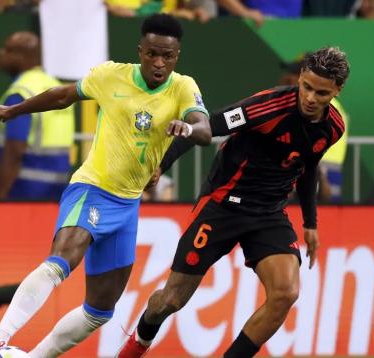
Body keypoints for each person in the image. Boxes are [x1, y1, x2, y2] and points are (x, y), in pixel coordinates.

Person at [0, 13, 211, 358]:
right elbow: (62, 96)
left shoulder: (183, 86)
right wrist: (16, 111)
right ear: (140, 50)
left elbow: (203, 128)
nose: (159, 63)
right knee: (63, 258)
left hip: (128, 204)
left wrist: (187, 129)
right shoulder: (110, 75)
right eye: (152, 54)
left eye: (168, 56)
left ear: (177, 57)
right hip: (93, 187)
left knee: (100, 310)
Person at [118, 46, 349, 357]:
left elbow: (307, 169)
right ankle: (136, 345)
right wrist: (163, 163)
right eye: (306, 87)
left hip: (269, 213)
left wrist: (310, 222)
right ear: (300, 78)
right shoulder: (267, 106)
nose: (310, 98)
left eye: (321, 93)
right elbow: (207, 128)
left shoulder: (333, 127)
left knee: (286, 293)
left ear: (337, 90)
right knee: (171, 300)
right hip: (222, 204)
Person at [0, 31, 75, 200]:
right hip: (56, 191)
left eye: (7, 50)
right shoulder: (56, 86)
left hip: (21, 191)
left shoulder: (21, 92)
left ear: (21, 57)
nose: (1, 53)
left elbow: (14, 150)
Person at [279, 55, 350, 203]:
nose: (286, 78)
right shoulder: (328, 104)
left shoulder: (318, 106)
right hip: (320, 165)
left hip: (320, 167)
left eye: (293, 74)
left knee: (325, 215)